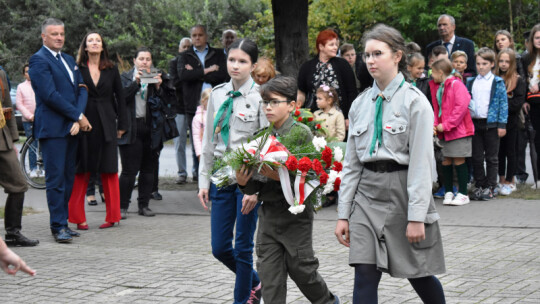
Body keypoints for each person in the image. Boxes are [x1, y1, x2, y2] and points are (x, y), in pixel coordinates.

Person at [335, 24, 446, 304]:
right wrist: (343, 213)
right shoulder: (360, 104)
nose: (370, 60)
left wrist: (417, 216)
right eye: (366, 55)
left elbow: (422, 164)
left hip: (402, 193)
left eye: (377, 54)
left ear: (397, 56)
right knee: (364, 274)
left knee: (418, 273)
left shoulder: (415, 103)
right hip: (366, 195)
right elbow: (351, 164)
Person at [236, 76, 340, 304]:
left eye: (274, 102)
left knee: (302, 270)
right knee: (269, 276)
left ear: (292, 105)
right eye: (265, 102)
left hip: (295, 217)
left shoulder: (301, 132)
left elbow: (308, 177)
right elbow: (254, 186)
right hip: (269, 216)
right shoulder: (259, 137)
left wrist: (282, 174)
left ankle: (328, 302)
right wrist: (243, 181)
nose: (268, 107)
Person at [198, 38, 267, 304]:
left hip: (247, 178)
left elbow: (265, 147)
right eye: (231, 60)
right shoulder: (217, 93)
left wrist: (256, 188)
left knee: (242, 249)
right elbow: (208, 142)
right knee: (219, 248)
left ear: (253, 65)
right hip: (221, 176)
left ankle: (244, 299)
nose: (235, 66)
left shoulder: (261, 97)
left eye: (242, 61)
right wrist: (204, 182)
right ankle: (255, 281)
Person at [29, 18, 90, 243]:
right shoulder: (38, 60)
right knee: (55, 181)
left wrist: (78, 118)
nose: (59, 38)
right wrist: (77, 115)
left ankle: (63, 221)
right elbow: (49, 95)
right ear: (44, 36)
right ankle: (58, 226)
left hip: (72, 127)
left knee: (68, 178)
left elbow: (81, 89)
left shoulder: (67, 59)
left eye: (62, 34)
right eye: (54, 34)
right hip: (53, 130)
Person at [67, 32, 127, 230]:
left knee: (109, 169)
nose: (94, 43)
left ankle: (113, 216)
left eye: (98, 40)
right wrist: (75, 118)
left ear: (102, 47)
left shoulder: (111, 69)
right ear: (85, 47)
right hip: (84, 121)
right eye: (90, 40)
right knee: (82, 169)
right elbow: (72, 96)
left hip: (108, 122)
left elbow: (120, 96)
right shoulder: (76, 68)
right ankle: (77, 217)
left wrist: (122, 125)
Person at [178, 25, 228, 182]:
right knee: (197, 142)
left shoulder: (218, 54)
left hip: (217, 104)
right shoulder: (185, 55)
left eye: (200, 35)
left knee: (218, 138)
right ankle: (198, 174)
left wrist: (197, 73)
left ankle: (218, 174)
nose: (197, 38)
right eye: (194, 35)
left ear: (206, 36)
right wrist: (207, 71)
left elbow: (223, 75)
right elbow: (183, 76)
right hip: (194, 105)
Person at [119, 47, 163, 218]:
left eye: (148, 59)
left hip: (150, 129)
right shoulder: (125, 78)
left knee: (148, 169)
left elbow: (165, 103)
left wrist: (159, 87)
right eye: (141, 59)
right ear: (134, 61)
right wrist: (135, 83)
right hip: (131, 128)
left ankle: (144, 205)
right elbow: (120, 99)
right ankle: (122, 207)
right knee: (129, 170)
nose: (145, 62)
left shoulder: (155, 77)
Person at [1, 68, 39, 247]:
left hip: (2, 140)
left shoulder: (0, 73)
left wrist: (13, 139)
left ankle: (13, 233)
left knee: (18, 185)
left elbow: (7, 105)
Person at [429, 59, 474, 206]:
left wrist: (446, 125)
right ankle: (448, 190)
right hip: (443, 131)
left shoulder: (456, 84)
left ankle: (463, 193)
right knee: (445, 160)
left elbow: (460, 108)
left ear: (440, 73)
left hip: (458, 131)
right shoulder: (438, 87)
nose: (431, 76)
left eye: (433, 72)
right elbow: (437, 108)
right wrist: (435, 124)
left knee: (459, 159)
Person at [466, 47, 508, 200]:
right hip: (475, 123)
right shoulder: (471, 81)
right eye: (478, 63)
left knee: (492, 157)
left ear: (491, 64)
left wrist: (502, 124)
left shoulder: (497, 82)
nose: (481, 67)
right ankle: (480, 184)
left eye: (484, 63)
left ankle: (491, 186)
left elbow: (503, 104)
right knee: (476, 157)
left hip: (491, 124)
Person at [297, 29, 357, 127]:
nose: (335, 47)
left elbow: (351, 92)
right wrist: (298, 111)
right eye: (331, 45)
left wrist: (349, 117)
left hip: (338, 119)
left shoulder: (343, 64)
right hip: (313, 118)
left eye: (336, 44)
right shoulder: (307, 67)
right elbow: (301, 92)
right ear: (321, 46)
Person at [494, 48, 526, 195]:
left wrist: (502, 102)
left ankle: (510, 180)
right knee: (498, 152)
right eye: (501, 61)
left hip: (511, 122)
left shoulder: (518, 80)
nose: (504, 64)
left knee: (510, 151)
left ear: (512, 63)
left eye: (507, 61)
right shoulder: (493, 79)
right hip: (495, 121)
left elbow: (517, 103)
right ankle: (500, 180)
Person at [170, 37, 192, 184]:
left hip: (195, 107)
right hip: (179, 107)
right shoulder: (174, 63)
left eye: (189, 47)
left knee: (199, 142)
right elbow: (175, 83)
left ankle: (198, 172)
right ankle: (182, 173)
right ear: (179, 49)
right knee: (179, 142)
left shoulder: (197, 63)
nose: (186, 49)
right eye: (183, 47)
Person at [521, 24, 540, 188]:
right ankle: (539, 179)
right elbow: (522, 81)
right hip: (534, 104)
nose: (539, 41)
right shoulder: (526, 58)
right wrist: (525, 100)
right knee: (538, 141)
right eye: (537, 38)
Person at [15, 64, 39, 177]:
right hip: (28, 120)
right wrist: (30, 116)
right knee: (32, 145)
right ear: (24, 74)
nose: (29, 73)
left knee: (43, 144)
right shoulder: (21, 87)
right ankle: (33, 168)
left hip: (41, 119)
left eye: (31, 70)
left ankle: (42, 168)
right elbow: (19, 104)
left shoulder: (40, 84)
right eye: (26, 71)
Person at [192, 88, 210, 161]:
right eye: (210, 101)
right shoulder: (198, 118)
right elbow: (196, 137)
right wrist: (199, 154)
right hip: (204, 151)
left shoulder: (217, 115)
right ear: (203, 101)